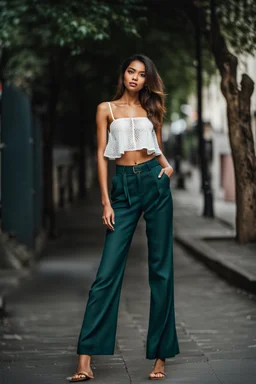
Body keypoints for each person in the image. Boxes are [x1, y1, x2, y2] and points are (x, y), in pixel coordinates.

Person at [70, 53, 180, 382]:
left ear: (147, 80)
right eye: (131, 71)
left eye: (142, 74)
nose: (135, 77)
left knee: (161, 270)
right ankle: (84, 361)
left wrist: (167, 169)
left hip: (154, 183)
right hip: (123, 189)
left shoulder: (151, 109)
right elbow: (101, 156)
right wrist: (106, 201)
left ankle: (160, 358)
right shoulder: (106, 109)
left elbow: (156, 146)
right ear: (123, 75)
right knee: (106, 273)